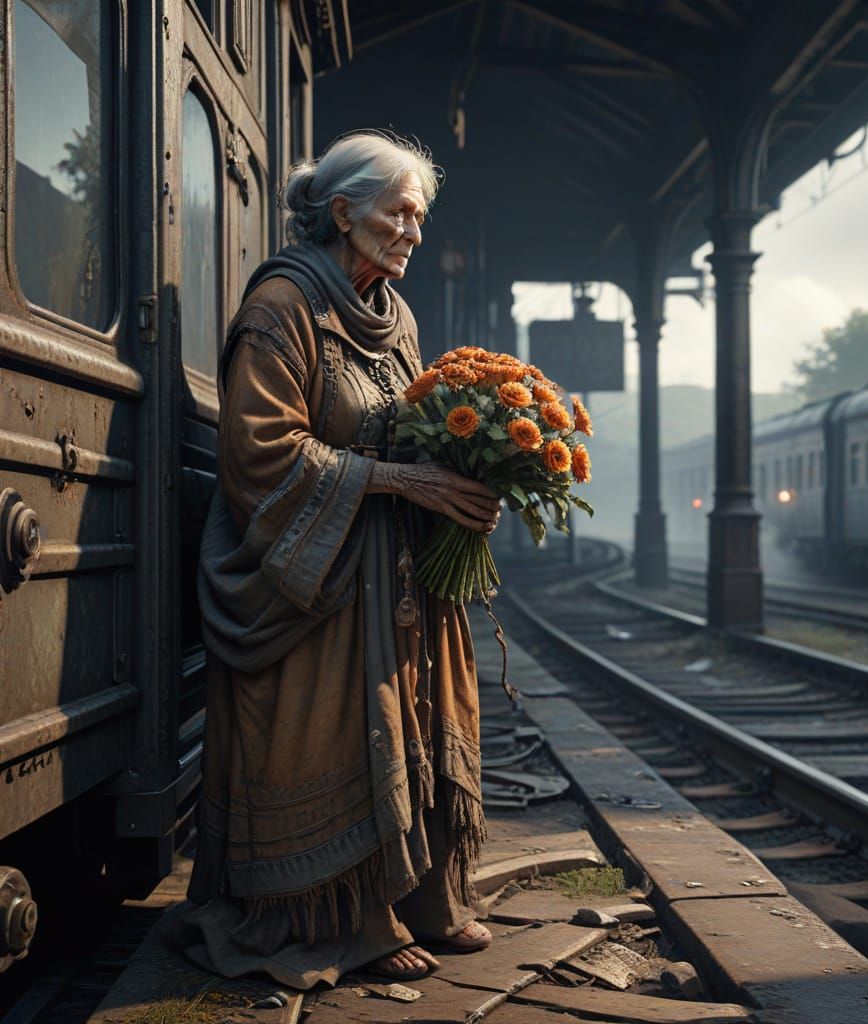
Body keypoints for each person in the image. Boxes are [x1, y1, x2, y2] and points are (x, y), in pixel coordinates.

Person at [178, 131, 500, 990]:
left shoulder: (397, 316)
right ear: (343, 210)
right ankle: (339, 918)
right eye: (400, 212)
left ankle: (418, 896)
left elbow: (416, 423)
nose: (413, 233)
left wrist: (471, 478)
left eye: (421, 217)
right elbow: (258, 453)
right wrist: (403, 481)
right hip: (311, 580)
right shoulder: (282, 306)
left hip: (389, 567)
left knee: (418, 713)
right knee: (340, 727)